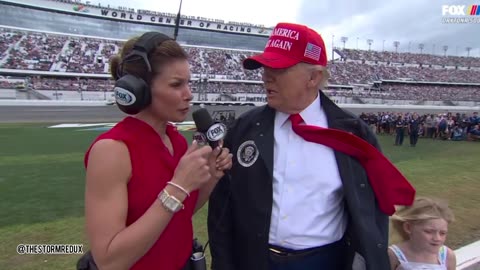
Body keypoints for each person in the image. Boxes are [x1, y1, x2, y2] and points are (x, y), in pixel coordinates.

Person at [208, 22, 414, 270]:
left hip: (324, 261)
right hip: (253, 260)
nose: (266, 76)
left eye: (279, 68)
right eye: (265, 67)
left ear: (314, 77)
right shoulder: (244, 128)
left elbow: (372, 211)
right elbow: (222, 205)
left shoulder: (353, 133)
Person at [81, 31, 232, 270]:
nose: (189, 94)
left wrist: (211, 176)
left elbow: (179, 214)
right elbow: (108, 260)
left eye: (188, 82)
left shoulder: (178, 141)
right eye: (176, 84)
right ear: (140, 89)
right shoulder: (111, 151)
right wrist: (178, 187)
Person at [388, 197, 456, 270]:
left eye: (442, 233)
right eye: (428, 231)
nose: (437, 238)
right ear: (408, 228)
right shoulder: (393, 255)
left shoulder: (447, 256)